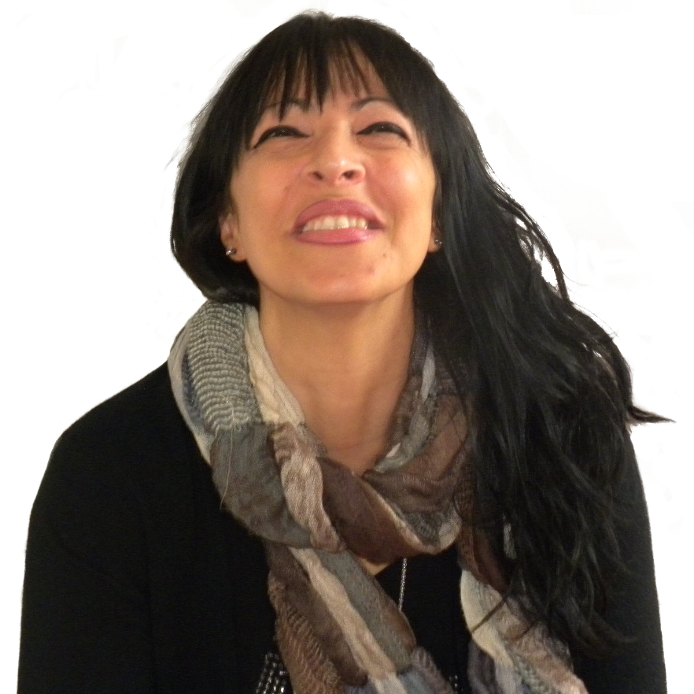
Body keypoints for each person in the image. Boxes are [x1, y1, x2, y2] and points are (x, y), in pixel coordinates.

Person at [18, 12, 666, 694]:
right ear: (227, 223)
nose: (334, 161)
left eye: (380, 129)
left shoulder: (563, 442)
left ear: (439, 214)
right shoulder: (112, 475)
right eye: (284, 134)